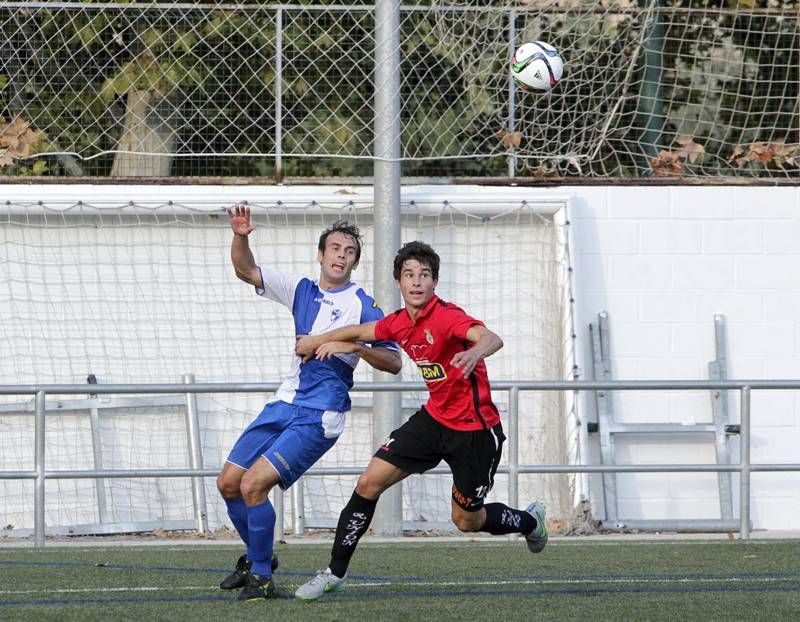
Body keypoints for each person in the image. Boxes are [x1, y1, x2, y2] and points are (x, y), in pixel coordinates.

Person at [292, 240, 548, 601]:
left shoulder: (447, 317)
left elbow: (491, 337)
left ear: (434, 282)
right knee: (368, 483)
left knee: (467, 521)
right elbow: (357, 331)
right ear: (398, 281)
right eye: (409, 275)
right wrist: (321, 341)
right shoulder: (397, 322)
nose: (416, 282)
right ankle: (334, 572)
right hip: (433, 420)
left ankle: (529, 522)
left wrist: (475, 351)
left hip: (475, 433)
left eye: (424, 275)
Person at [216, 205, 402, 602]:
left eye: (349, 251)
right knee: (229, 483)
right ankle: (256, 557)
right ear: (321, 254)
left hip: (320, 415)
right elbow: (245, 270)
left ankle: (262, 576)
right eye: (334, 247)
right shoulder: (301, 289)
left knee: (253, 485)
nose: (340, 255)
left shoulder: (363, 305)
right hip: (284, 403)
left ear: (355, 261)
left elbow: (394, 361)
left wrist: (352, 346)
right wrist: (241, 236)